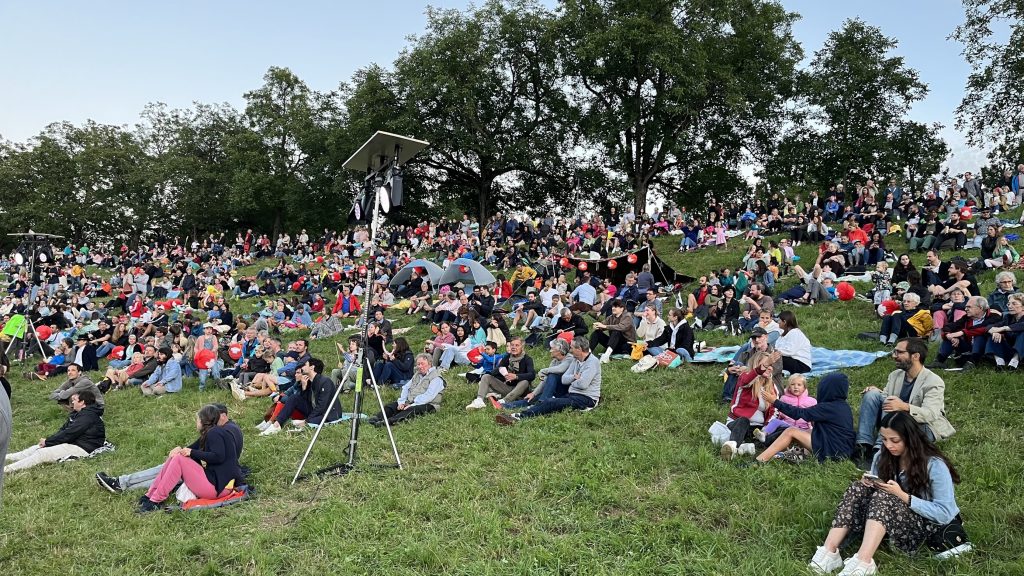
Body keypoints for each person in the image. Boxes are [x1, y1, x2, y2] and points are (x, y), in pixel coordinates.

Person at [807, 412, 968, 575]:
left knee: (886, 495)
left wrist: (902, 495)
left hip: (926, 527)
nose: (888, 445)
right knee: (858, 487)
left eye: (894, 440)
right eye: (884, 439)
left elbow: (945, 513)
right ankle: (830, 551)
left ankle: (864, 561)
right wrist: (870, 483)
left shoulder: (934, 465)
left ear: (910, 438)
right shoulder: (883, 456)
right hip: (889, 518)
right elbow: (878, 495)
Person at [95, 404, 242, 494]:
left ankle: (122, 483)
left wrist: (191, 454)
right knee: (170, 467)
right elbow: (196, 446)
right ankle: (122, 483)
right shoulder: (218, 431)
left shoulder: (223, 432)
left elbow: (220, 457)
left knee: (171, 473)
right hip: (212, 474)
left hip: (214, 479)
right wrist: (182, 450)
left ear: (221, 416)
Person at [854, 337, 955, 469]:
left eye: (899, 352)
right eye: (894, 352)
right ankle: (863, 446)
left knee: (892, 402)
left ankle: (880, 450)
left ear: (915, 356)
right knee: (872, 395)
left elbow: (930, 414)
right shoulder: (895, 375)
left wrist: (904, 407)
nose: (894, 356)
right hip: (896, 419)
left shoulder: (933, 381)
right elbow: (885, 396)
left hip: (923, 425)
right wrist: (876, 392)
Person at [138, 404, 244, 513]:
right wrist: (180, 450)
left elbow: (218, 456)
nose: (196, 422)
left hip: (219, 489)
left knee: (179, 459)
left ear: (203, 421)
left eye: (197, 419)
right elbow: (191, 449)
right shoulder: (212, 432)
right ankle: (150, 495)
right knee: (177, 456)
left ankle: (155, 501)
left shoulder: (214, 433)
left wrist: (192, 453)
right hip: (216, 484)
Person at [753, 372, 854, 464]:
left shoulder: (828, 407)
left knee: (791, 431)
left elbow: (799, 413)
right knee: (809, 431)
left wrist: (775, 402)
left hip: (833, 452)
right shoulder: (843, 407)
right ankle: (797, 454)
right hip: (842, 450)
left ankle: (760, 460)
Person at [496, 336, 601, 424]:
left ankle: (518, 416)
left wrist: (574, 381)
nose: (570, 350)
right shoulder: (576, 360)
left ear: (579, 349)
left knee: (551, 402)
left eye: (572, 348)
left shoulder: (592, 362)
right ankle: (506, 407)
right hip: (572, 394)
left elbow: (583, 385)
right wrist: (574, 377)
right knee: (542, 399)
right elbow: (564, 380)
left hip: (586, 399)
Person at [5, 390, 105, 473]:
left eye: (74, 400)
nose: (72, 402)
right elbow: (64, 430)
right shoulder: (78, 414)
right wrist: (48, 441)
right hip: (74, 442)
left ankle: (7, 469)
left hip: (83, 447)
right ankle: (7, 457)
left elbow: (69, 434)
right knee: (36, 448)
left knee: (42, 453)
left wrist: (48, 442)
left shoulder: (87, 416)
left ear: (82, 402)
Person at [259, 358, 341, 435]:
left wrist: (306, 420)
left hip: (327, 414)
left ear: (312, 367)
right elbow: (305, 401)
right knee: (294, 397)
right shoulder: (308, 381)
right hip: (313, 410)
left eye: (305, 365)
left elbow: (322, 406)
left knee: (310, 421)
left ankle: (302, 426)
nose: (303, 367)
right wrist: (304, 388)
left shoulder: (325, 381)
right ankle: (277, 425)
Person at [368, 353, 444, 427]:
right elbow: (406, 387)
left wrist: (412, 404)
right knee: (392, 406)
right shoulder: (417, 374)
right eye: (418, 364)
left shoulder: (436, 378)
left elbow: (429, 396)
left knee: (411, 410)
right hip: (410, 401)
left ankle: (389, 422)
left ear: (430, 363)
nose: (420, 366)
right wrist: (402, 402)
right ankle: (378, 417)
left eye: (422, 364)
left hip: (429, 404)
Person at [466, 337, 536, 409]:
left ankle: (503, 402)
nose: (513, 347)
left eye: (517, 345)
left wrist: (516, 376)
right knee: (486, 377)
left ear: (522, 347)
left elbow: (532, 375)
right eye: (512, 345)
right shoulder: (507, 357)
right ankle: (479, 400)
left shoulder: (527, 359)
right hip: (508, 387)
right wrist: (501, 373)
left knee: (525, 382)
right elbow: (497, 370)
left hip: (521, 390)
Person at [589, 299, 637, 363]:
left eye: (615, 307)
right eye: (612, 306)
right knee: (597, 333)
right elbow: (603, 324)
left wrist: (605, 326)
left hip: (627, 346)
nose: (613, 308)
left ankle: (606, 355)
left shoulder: (627, 316)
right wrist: (598, 326)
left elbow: (621, 327)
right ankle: (588, 353)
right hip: (614, 344)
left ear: (622, 308)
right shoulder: (611, 317)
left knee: (616, 331)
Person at [986, 292, 1024, 369]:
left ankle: (1014, 363)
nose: (1010, 306)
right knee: (993, 336)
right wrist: (994, 332)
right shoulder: (1008, 317)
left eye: (1014, 304)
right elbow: (989, 327)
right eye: (1009, 304)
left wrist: (1003, 328)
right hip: (1010, 349)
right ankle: (1000, 363)